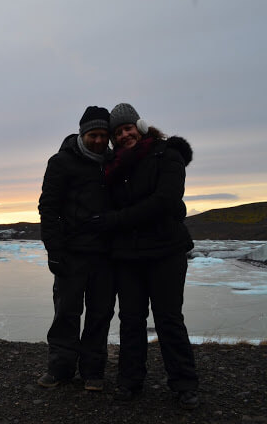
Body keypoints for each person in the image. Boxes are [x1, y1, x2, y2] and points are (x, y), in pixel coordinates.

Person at [89, 103, 199, 409]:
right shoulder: (114, 167)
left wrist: (115, 220)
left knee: (168, 319)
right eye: (118, 132)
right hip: (128, 256)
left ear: (141, 126)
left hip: (166, 252)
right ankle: (130, 381)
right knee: (131, 320)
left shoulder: (167, 154)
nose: (124, 135)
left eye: (128, 128)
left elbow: (164, 201)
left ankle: (184, 383)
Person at [37, 106, 116, 392]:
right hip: (71, 253)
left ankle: (93, 371)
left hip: (105, 255)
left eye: (103, 136)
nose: (98, 141)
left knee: (100, 314)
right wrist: (54, 251)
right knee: (66, 313)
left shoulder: (113, 162)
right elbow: (48, 208)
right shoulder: (61, 162)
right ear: (82, 134)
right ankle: (60, 369)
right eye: (93, 134)